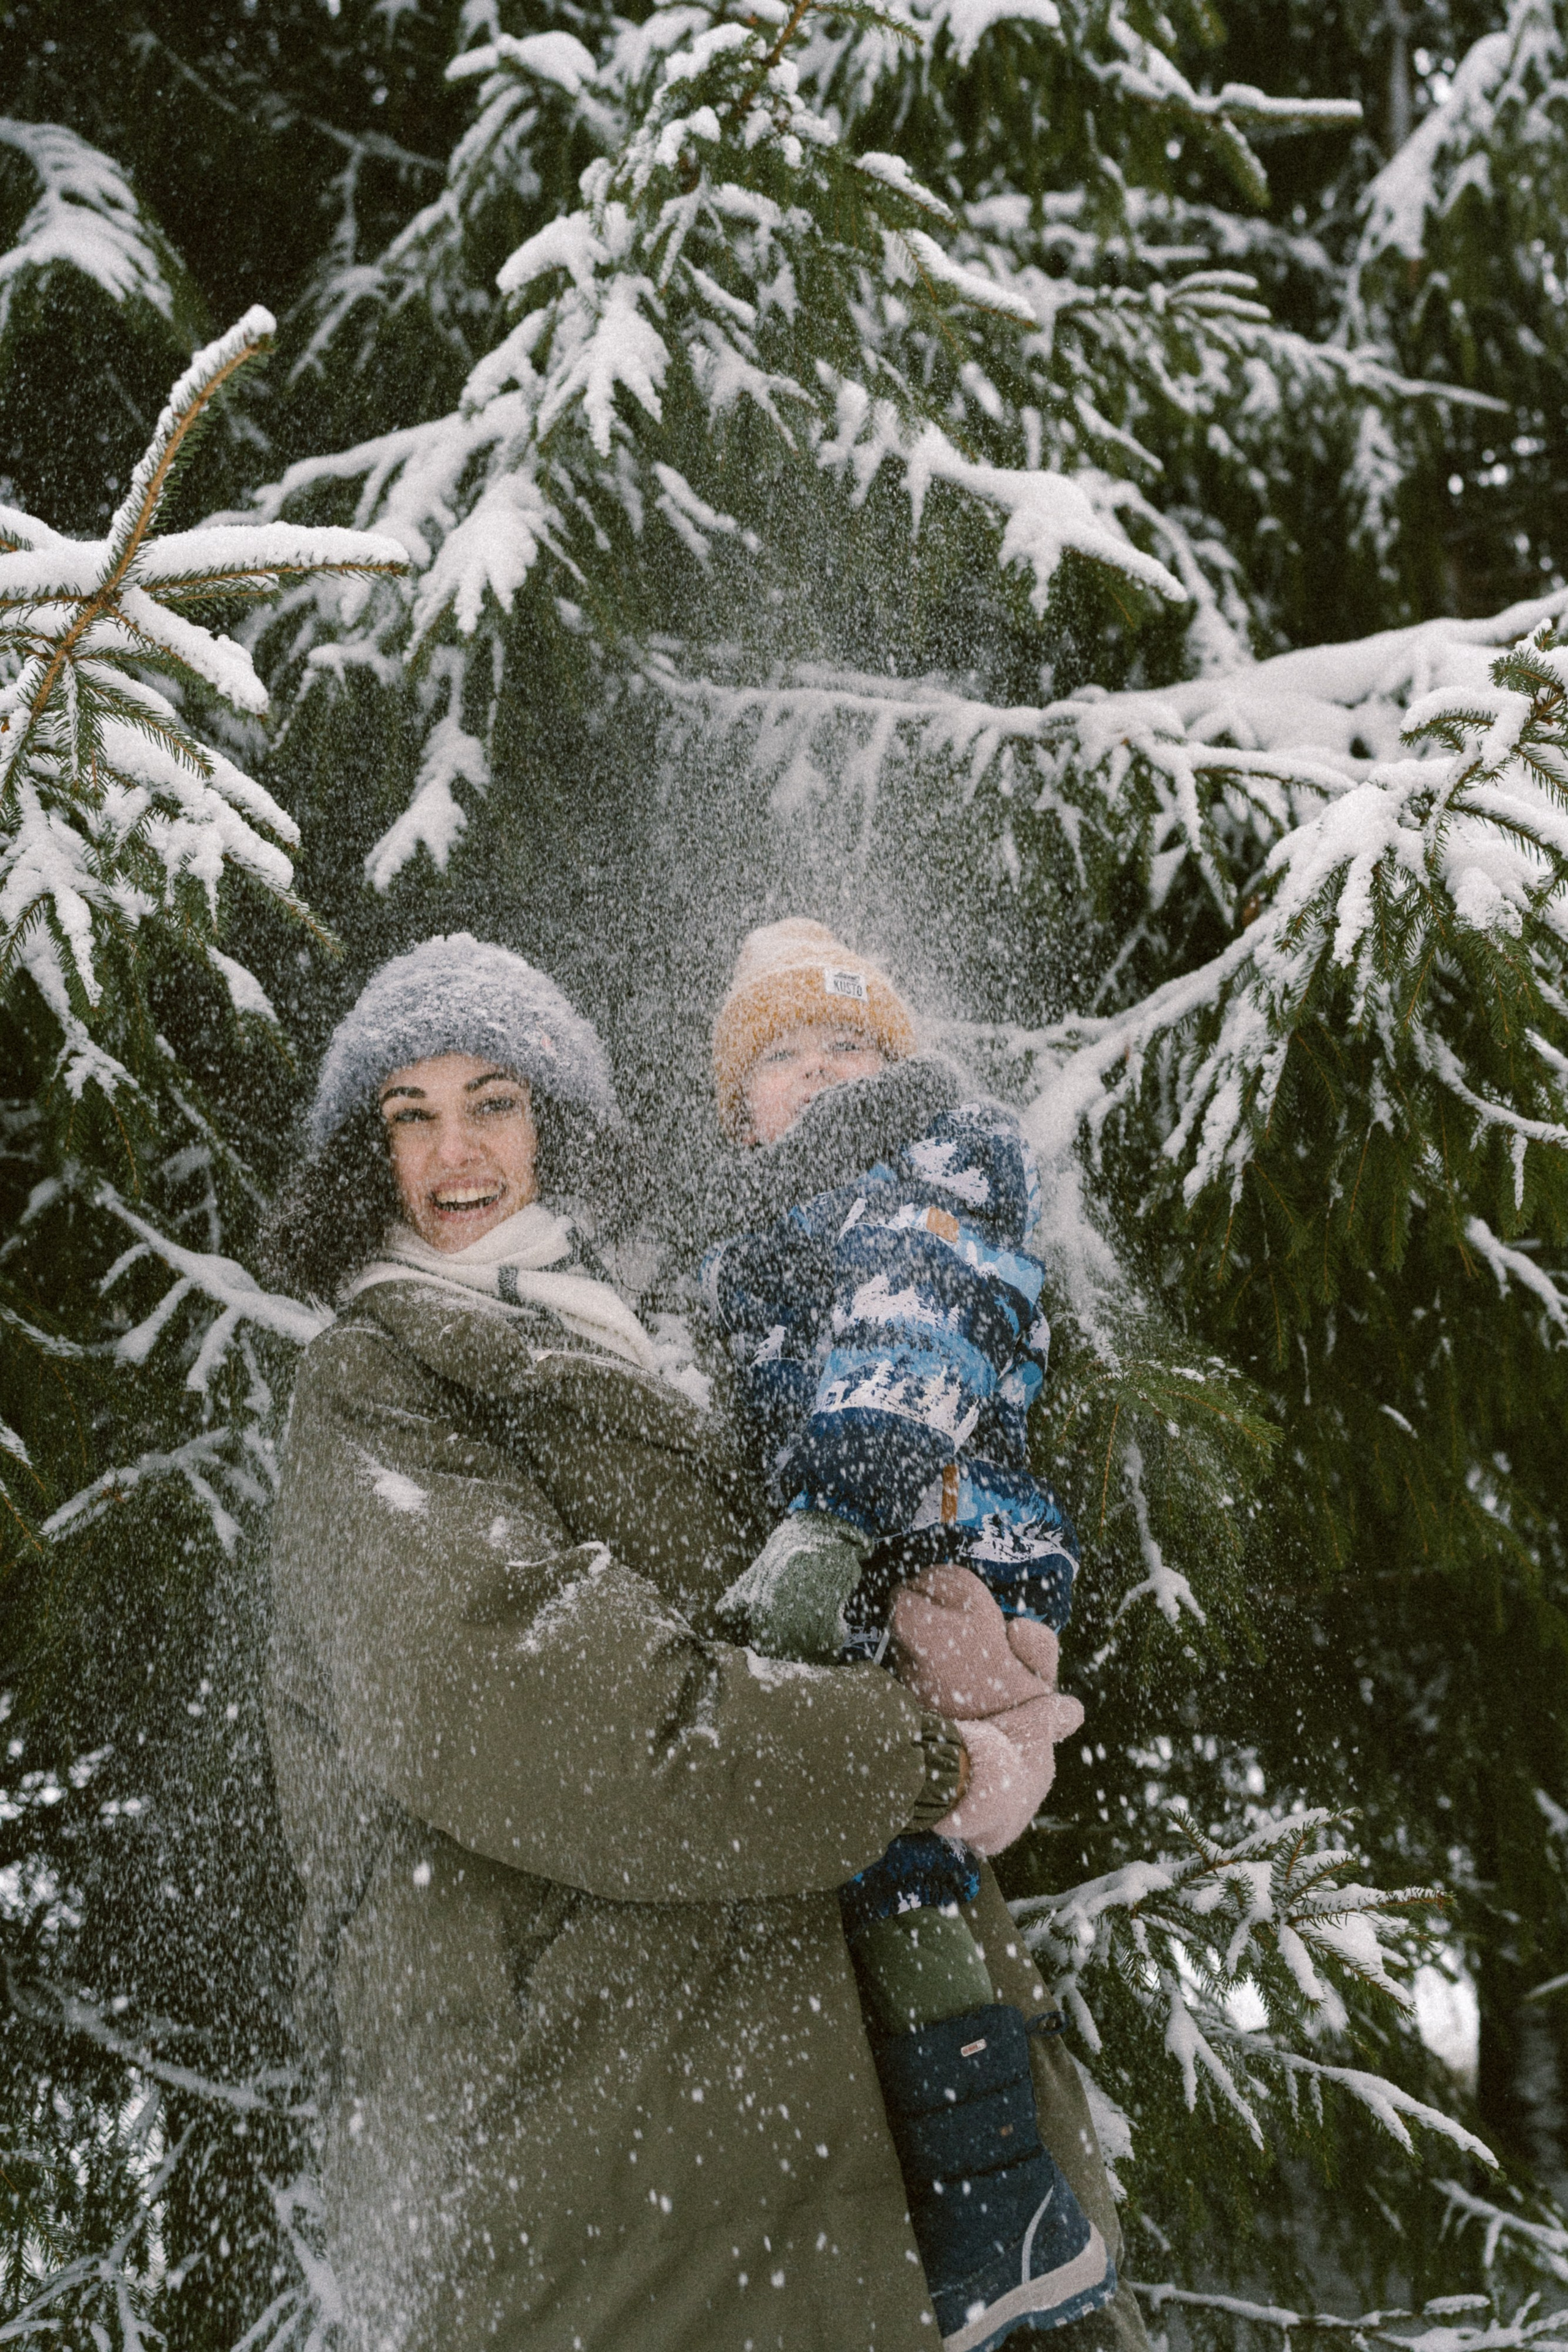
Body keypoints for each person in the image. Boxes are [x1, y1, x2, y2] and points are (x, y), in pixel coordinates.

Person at [261, 932, 1096, 2352]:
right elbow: (583, 1727)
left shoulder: (642, 1342)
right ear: (366, 1159)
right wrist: (925, 1759)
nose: (456, 1150)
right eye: (410, 1115)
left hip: (794, 2162)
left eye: (495, 1101)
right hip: (612, 2189)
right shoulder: (379, 1389)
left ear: (558, 1128)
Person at [693, 918, 1145, 2352]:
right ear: (736, 1105)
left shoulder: (934, 1158)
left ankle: (1002, 2215)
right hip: (881, 1568)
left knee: (890, 1853)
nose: (822, 1073)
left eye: (845, 1046)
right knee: (873, 1874)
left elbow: (918, 1324)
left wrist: (829, 1518)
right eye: (784, 1057)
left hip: (944, 1567)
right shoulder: (759, 1230)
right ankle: (978, 2213)